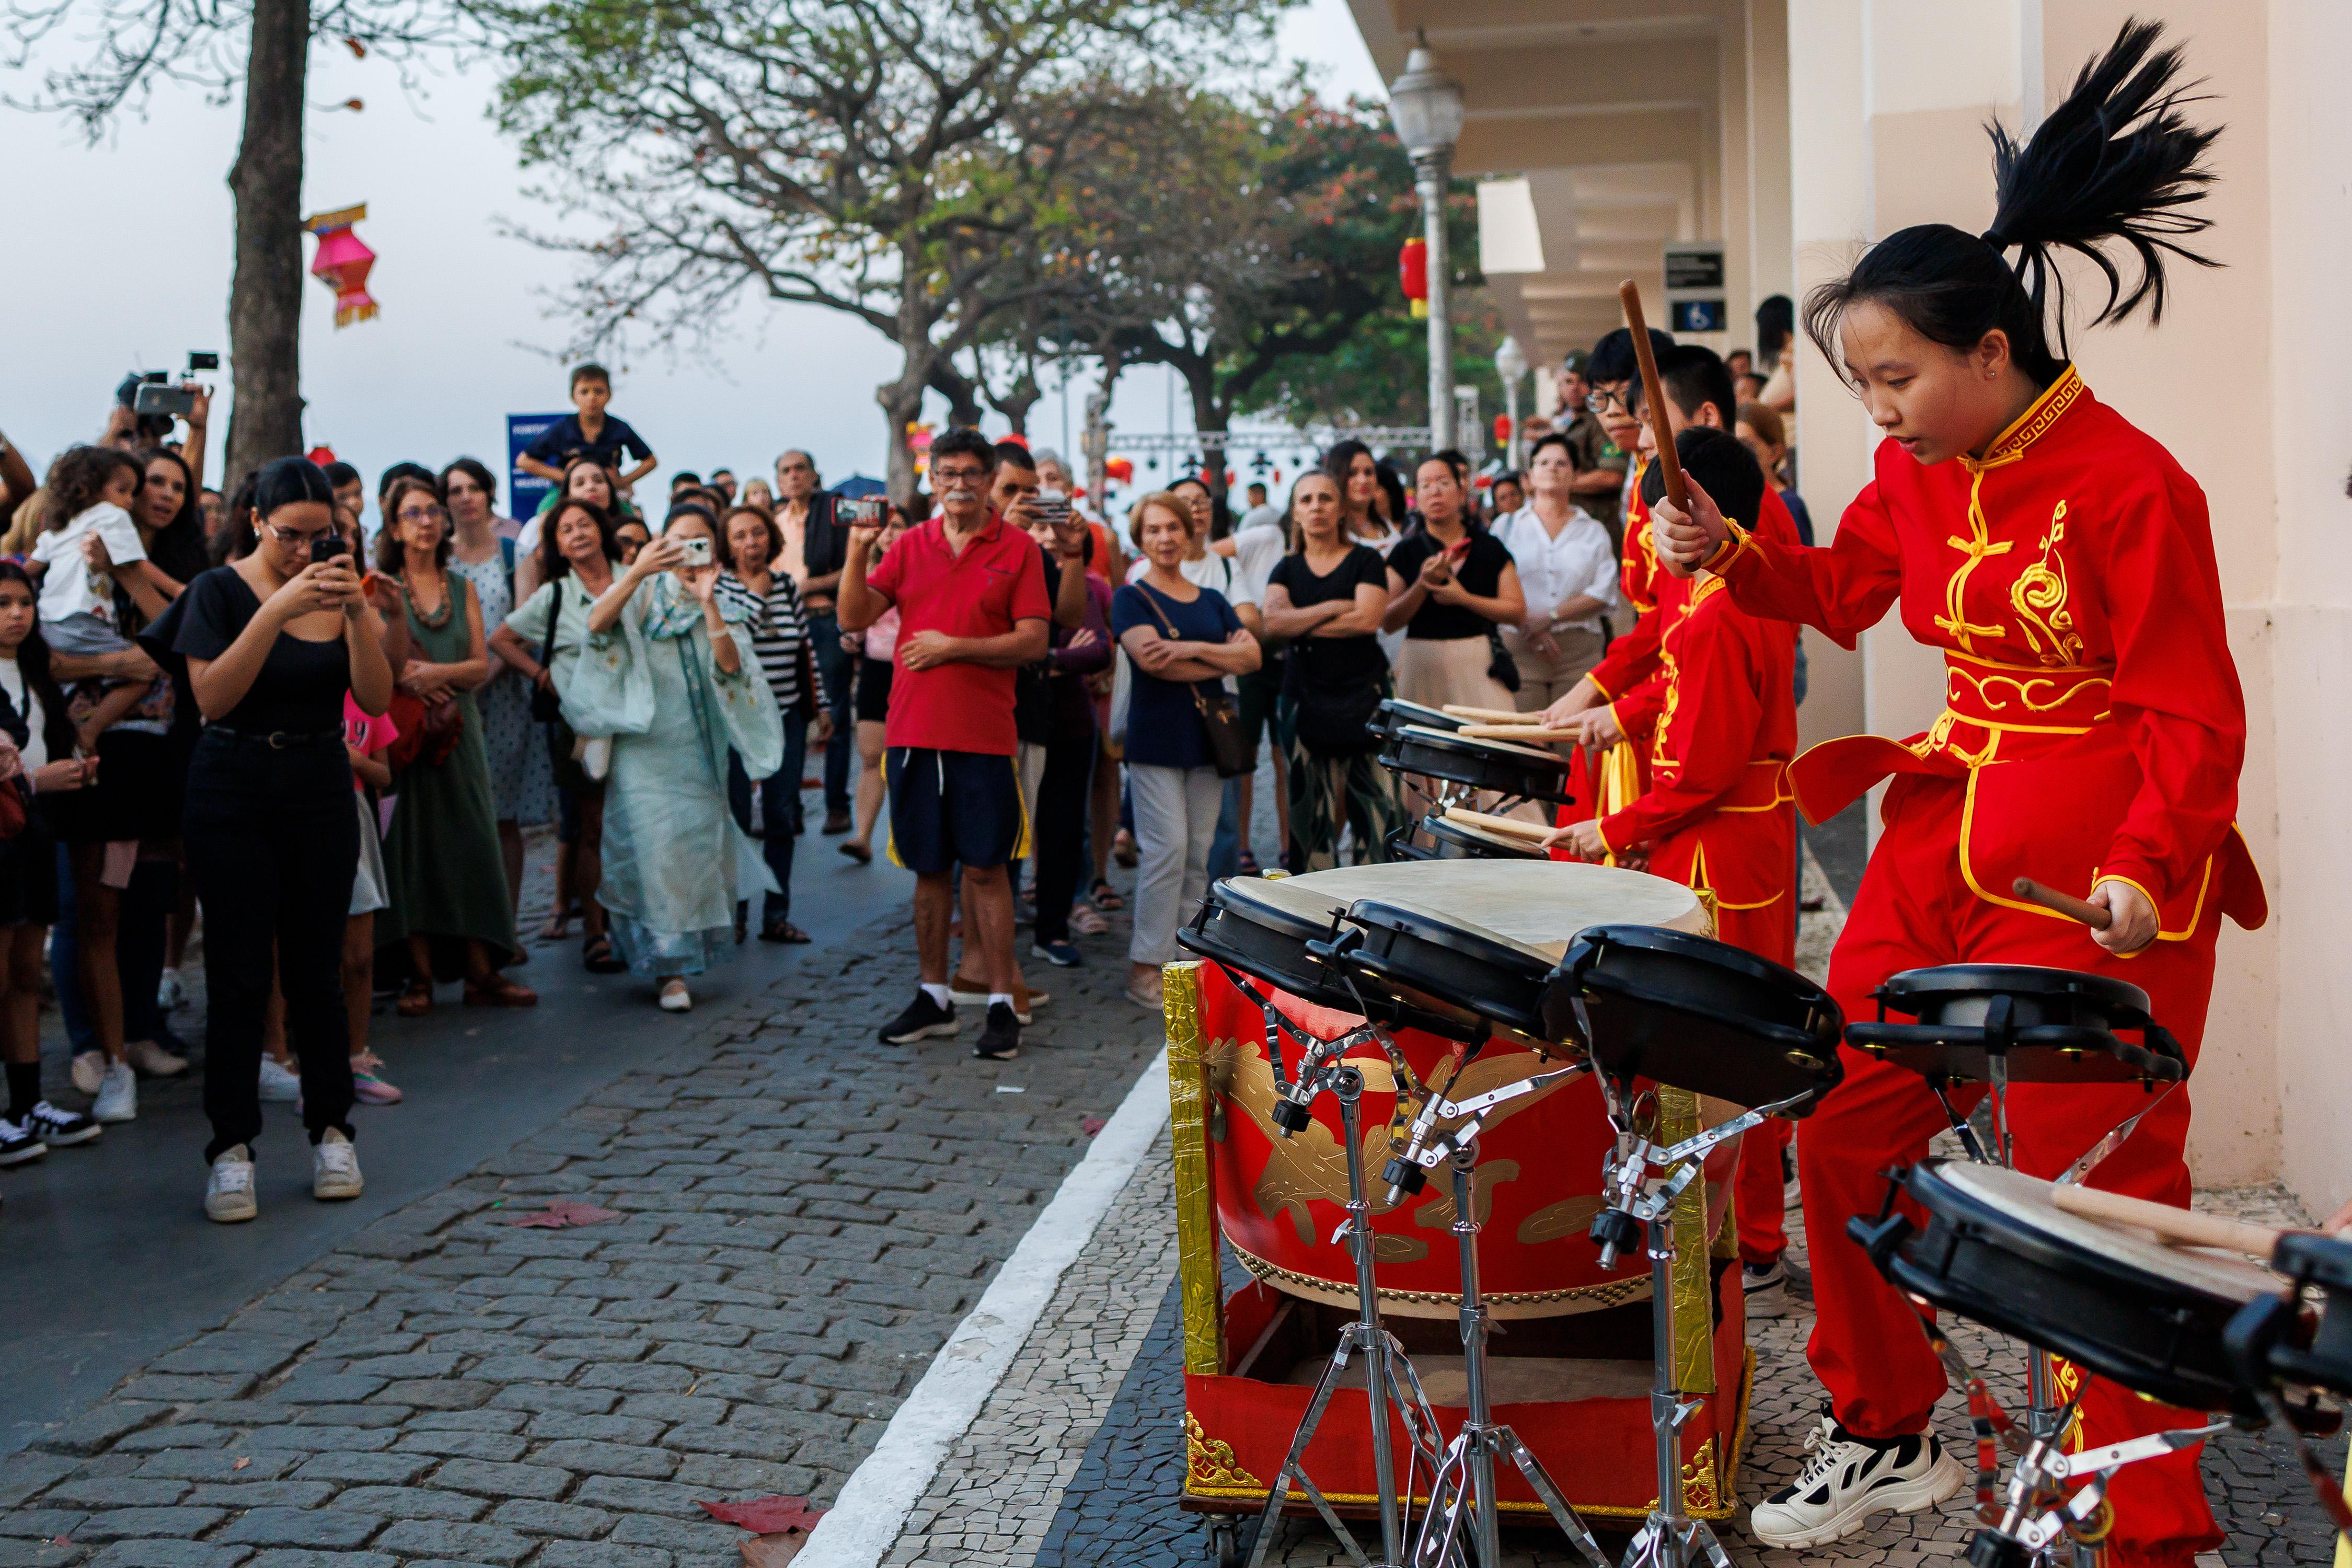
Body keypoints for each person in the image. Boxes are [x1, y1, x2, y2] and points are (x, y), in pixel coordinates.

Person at [1649, 26, 2259, 1559]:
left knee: (2092, 1186)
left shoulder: (2136, 483)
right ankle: (1884, 1423)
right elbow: (1844, 591)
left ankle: (2145, 1518)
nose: (1881, 408)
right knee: (1840, 1120)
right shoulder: (1916, 472)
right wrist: (1728, 552)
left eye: (1899, 375)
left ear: (1995, 351)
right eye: (1863, 383)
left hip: (2099, 875)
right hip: (1938, 838)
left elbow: (2190, 704)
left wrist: (2142, 859)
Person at [1552, 429, 1800, 1309]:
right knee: (1736, 1044)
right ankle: (1739, 1236)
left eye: (1655, 513)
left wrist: (1612, 829)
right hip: (1733, 837)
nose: (1647, 531)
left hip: (1723, 846)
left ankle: (1747, 1245)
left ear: (1699, 516)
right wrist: (1618, 707)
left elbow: (1704, 770)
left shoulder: (1726, 607)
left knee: (1725, 1051)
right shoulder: (1722, 592)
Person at [157, 456, 395, 1224]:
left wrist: (356, 611)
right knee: (237, 974)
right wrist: (274, 610)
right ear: (257, 520)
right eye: (292, 535)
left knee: (315, 970)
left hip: (319, 779)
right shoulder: (217, 591)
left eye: (322, 536)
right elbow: (212, 697)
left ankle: (332, 1130)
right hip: (231, 781)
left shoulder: (340, 589)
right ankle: (231, 1149)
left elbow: (375, 694)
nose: (307, 550)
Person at [837, 430, 1049, 1061]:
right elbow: (853, 617)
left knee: (987, 869)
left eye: (970, 474)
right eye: (947, 473)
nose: (959, 484)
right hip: (910, 734)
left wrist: (954, 647)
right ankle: (933, 996)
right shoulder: (908, 546)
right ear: (933, 480)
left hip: (984, 738)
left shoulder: (1017, 550)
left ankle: (1000, 1002)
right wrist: (854, 552)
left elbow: (1034, 641)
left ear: (988, 481)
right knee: (928, 871)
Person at [570, 507, 784, 1011]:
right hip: (644, 749)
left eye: (701, 543)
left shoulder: (725, 600)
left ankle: (681, 962)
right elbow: (596, 628)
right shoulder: (639, 592)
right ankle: (669, 973)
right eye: (680, 542)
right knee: (653, 854)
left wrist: (708, 605)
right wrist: (640, 570)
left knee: (693, 857)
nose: (690, 554)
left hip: (698, 752)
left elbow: (734, 672)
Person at [373, 477, 534, 1014]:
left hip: (459, 729)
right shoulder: (381, 588)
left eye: (432, 512)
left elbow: (476, 663)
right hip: (404, 733)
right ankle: (418, 979)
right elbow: (380, 668)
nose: (426, 521)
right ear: (395, 527)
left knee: (472, 843)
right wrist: (411, 678)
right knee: (411, 850)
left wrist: (430, 674)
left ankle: (482, 973)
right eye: (413, 513)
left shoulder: (462, 587)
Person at [1114, 492, 1257, 1009]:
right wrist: (1220, 658)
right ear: (1141, 539)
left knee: (1197, 853)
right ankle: (1144, 965)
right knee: (1166, 851)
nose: (1166, 538)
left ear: (1188, 532)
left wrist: (1191, 648)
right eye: (1154, 530)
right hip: (1155, 740)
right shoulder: (1131, 597)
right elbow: (1153, 664)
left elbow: (1253, 655)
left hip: (1206, 741)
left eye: (1173, 527)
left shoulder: (1212, 600)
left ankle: (1188, 954)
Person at [492, 498, 627, 975]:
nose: (577, 533)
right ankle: (596, 932)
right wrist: (540, 675)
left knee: (636, 822)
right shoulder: (555, 596)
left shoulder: (636, 579)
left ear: (602, 530)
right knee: (591, 825)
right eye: (565, 529)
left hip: (641, 722)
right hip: (584, 727)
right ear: (558, 546)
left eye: (584, 524)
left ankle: (640, 925)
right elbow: (501, 640)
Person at [0, 563, 102, 1163]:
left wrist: (73, 768)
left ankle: (28, 1102)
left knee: (21, 976)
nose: (16, 613)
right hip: (7, 828)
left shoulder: (35, 671)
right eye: (4, 603)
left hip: (33, 835)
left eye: (24, 603)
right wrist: (37, 780)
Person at [1262, 472, 1397, 872]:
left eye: (1325, 498)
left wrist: (1301, 623)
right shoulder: (1285, 569)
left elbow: (1367, 620)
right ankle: (1315, 916)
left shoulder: (1366, 560)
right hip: (1302, 698)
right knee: (1308, 819)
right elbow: (1274, 625)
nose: (1316, 506)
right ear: (1296, 512)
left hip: (1367, 694)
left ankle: (1376, 918)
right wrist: (1335, 606)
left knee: (1377, 815)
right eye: (1306, 500)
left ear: (1340, 510)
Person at [442, 458, 552, 915]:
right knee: (454, 819)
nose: (465, 497)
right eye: (455, 490)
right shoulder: (436, 556)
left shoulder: (514, 555)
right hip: (447, 702)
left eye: (474, 488)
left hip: (504, 697)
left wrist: (481, 676)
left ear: (490, 494)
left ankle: (505, 923)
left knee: (503, 818)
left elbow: (524, 627)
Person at [716, 502, 828, 943]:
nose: (751, 543)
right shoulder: (719, 589)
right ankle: (737, 914)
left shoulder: (786, 585)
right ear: (727, 544)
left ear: (772, 539)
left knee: (782, 818)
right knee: (740, 818)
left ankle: (776, 915)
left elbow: (806, 649)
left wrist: (822, 707)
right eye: (740, 535)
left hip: (787, 715)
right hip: (738, 720)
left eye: (758, 534)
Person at [1024, 503, 1111, 969]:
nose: (1049, 534)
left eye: (1055, 524)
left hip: (1071, 721)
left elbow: (1097, 649)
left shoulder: (1080, 584)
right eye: (1038, 524)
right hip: (1020, 717)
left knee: (1061, 830)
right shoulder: (1015, 576)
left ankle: (1052, 928)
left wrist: (1047, 660)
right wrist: (1057, 653)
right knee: (1010, 827)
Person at [1381, 451, 1524, 712]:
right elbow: (1388, 621)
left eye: (1444, 483)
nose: (1435, 491)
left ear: (1461, 492)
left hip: (1478, 661)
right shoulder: (1405, 552)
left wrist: (1464, 599)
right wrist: (1421, 586)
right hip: (1420, 664)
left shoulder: (1490, 547)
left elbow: (1516, 611)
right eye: (1425, 485)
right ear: (1417, 499)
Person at [1493, 434, 1620, 710]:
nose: (1552, 469)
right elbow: (1492, 585)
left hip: (1579, 651)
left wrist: (1550, 618)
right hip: (1520, 646)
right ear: (1529, 477)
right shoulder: (1506, 527)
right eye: (1544, 463)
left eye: (1562, 464)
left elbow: (1604, 591)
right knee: (1524, 743)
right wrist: (1532, 625)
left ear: (1575, 476)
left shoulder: (1593, 530)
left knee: (1575, 743)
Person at [773, 452, 857, 836]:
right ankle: (785, 808)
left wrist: (810, 586)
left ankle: (837, 807)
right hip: (783, 624)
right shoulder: (774, 523)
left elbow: (857, 564)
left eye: (799, 469)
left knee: (835, 715)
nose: (793, 476)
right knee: (788, 715)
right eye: (785, 471)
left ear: (814, 475)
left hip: (824, 619)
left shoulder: (837, 512)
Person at [837, 506, 909, 866]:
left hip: (913, 668)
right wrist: (852, 640)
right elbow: (853, 623)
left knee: (911, 759)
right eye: (884, 527)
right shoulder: (864, 570)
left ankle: (909, 838)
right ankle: (862, 836)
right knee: (870, 756)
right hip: (877, 668)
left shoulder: (917, 569)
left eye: (897, 526)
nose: (889, 534)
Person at [517, 363, 658, 497]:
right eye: (584, 392)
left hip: (607, 492)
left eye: (599, 391)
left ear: (609, 395)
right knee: (546, 516)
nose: (592, 398)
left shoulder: (619, 428)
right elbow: (524, 461)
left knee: (629, 520)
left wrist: (622, 482)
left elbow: (651, 461)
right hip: (564, 494)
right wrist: (566, 477)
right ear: (573, 397)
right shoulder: (563, 428)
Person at [1554, 349, 1632, 544]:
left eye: (1582, 382)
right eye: (1569, 382)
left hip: (1600, 528)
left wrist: (1559, 484)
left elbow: (1613, 476)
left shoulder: (1601, 420)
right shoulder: (1566, 423)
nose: (1574, 389)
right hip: (1575, 526)